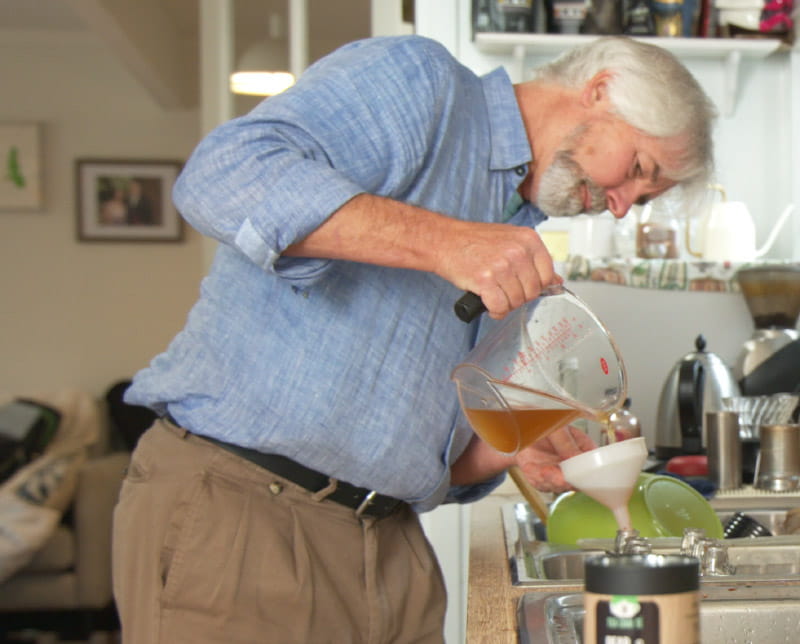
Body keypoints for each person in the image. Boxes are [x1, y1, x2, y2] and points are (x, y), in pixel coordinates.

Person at [113, 35, 715, 643]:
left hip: (390, 547)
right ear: (600, 89)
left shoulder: (515, 241)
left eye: (642, 199)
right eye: (638, 170)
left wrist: (514, 444)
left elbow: (427, 461)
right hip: (244, 518)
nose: (619, 208)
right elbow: (222, 174)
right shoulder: (423, 84)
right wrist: (446, 243)